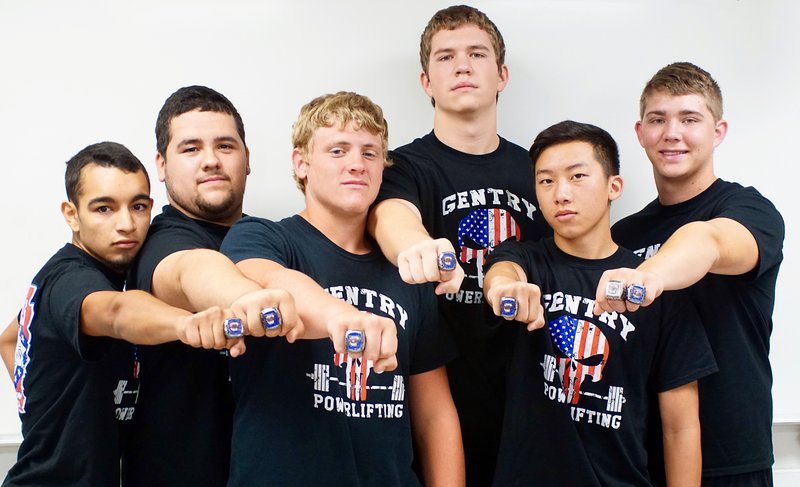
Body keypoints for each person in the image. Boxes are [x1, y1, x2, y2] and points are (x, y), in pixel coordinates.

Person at [220, 91, 464, 486]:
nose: (356, 164)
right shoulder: (262, 237)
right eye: (338, 150)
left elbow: (434, 413)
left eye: (370, 153)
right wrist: (343, 317)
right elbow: (271, 281)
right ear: (301, 164)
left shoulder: (407, 270)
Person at [0, 142, 257, 486]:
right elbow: (116, 312)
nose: (125, 224)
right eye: (104, 209)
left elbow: (11, 338)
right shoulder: (69, 279)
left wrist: (37, 403)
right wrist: (186, 323)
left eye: (137, 206)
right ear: (71, 214)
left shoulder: (111, 275)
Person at [367, 5, 552, 483]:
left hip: (529, 398)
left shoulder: (538, 172)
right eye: (445, 57)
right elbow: (391, 215)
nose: (463, 66)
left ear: (501, 74)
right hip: (433, 395)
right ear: (426, 81)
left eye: (477, 54)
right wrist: (414, 246)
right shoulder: (403, 167)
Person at [483, 121, 718, 486]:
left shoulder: (652, 284)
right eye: (546, 181)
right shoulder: (526, 261)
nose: (561, 193)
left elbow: (681, 426)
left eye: (577, 176)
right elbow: (501, 272)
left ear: (614, 186)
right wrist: (505, 289)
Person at [593, 62, 785, 486]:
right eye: (658, 119)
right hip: (643, 456)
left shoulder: (750, 212)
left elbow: (707, 242)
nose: (672, 133)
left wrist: (650, 276)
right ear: (640, 133)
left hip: (733, 458)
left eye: (689, 119)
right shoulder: (624, 234)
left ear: (718, 132)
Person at [123, 86, 299, 487]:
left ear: (247, 159)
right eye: (190, 149)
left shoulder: (272, 241)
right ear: (161, 165)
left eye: (225, 145)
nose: (211, 161)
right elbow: (190, 272)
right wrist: (249, 299)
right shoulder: (160, 244)